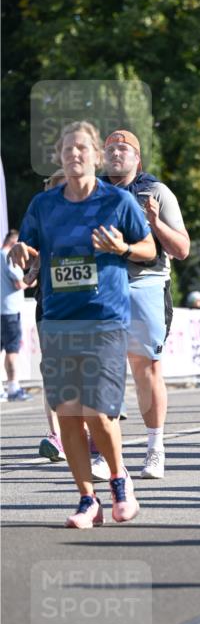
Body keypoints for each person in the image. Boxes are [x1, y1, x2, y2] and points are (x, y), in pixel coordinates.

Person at [11, 120, 155, 528]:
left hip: (104, 319)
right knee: (69, 412)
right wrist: (24, 250)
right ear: (60, 156)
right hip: (58, 319)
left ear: (95, 154)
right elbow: (32, 246)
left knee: (98, 411)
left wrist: (123, 247)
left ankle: (119, 478)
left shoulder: (118, 202)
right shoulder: (45, 205)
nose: (74, 155)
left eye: (81, 148)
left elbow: (148, 248)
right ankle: (86, 498)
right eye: (67, 149)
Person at [93, 129, 190, 481]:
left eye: (124, 148)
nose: (116, 153)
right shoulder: (92, 192)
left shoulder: (157, 191)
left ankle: (154, 449)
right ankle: (104, 452)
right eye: (110, 149)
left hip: (146, 283)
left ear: (137, 158)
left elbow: (182, 250)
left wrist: (154, 222)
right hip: (102, 287)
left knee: (146, 370)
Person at [23, 169, 69, 459]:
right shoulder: (43, 221)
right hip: (50, 305)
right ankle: (56, 436)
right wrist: (32, 266)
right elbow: (30, 274)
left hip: (85, 307)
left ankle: (85, 430)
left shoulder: (94, 216)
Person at [1, 230, 31, 402]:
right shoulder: (8, 256)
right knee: (12, 350)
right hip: (10, 310)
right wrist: (33, 279)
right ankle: (13, 388)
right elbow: (19, 283)